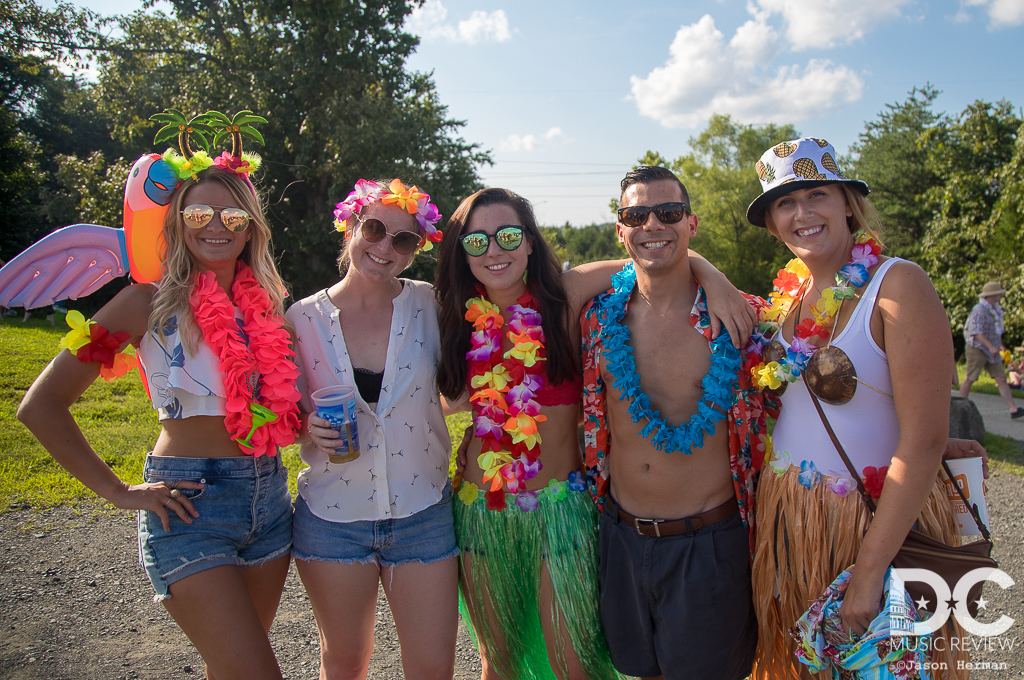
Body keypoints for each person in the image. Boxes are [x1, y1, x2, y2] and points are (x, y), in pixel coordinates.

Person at [16, 111, 301, 680]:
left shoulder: (268, 308)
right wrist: (120, 492)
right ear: (177, 223)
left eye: (232, 215)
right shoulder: (146, 303)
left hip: (269, 501)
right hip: (190, 503)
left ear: (250, 228)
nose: (215, 225)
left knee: (230, 668)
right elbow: (41, 406)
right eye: (198, 213)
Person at [434, 187, 754, 680]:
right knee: (495, 664)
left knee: (573, 664)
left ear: (530, 242)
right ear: (461, 250)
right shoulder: (451, 316)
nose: (493, 250)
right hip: (482, 511)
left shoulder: (566, 295)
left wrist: (714, 278)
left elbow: (651, 255)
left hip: (562, 510)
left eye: (508, 235)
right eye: (476, 241)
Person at [744, 138, 967, 679]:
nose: (803, 214)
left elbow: (922, 441)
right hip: (791, 526)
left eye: (816, 194)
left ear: (847, 202)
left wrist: (869, 573)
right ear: (773, 224)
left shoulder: (898, 284)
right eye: (785, 203)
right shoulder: (785, 302)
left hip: (872, 528)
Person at [580, 166, 768, 680]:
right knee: (641, 672)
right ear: (620, 229)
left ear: (692, 222)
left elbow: (816, 386)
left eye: (669, 213)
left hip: (707, 543)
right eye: (636, 215)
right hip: (620, 535)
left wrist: (926, 437)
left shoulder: (742, 321)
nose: (652, 225)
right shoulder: (595, 319)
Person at [289, 179, 458, 680]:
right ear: (350, 227)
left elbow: (464, 386)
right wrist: (307, 427)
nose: (385, 247)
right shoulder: (301, 318)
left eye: (403, 240)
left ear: (416, 250)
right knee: (344, 663)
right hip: (332, 519)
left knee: (432, 669)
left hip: (422, 513)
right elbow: (286, 418)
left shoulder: (431, 304)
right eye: (375, 228)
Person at [958, 281, 1024, 418]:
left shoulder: (996, 310)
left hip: (992, 350)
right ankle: (959, 407)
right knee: (970, 378)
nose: (1001, 295)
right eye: (999, 293)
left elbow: (995, 331)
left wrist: (1001, 346)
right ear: (992, 295)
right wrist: (991, 346)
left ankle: (1013, 409)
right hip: (978, 348)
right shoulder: (979, 310)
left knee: (1001, 378)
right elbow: (977, 332)